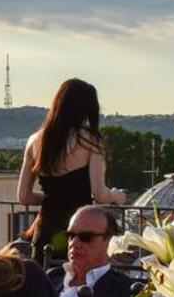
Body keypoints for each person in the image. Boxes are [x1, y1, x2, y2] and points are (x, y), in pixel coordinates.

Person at [17, 79, 129, 255]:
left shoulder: (35, 141)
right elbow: (99, 194)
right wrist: (117, 196)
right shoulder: (92, 141)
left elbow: (24, 196)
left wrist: (52, 199)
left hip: (45, 231)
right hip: (80, 235)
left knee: (46, 279)